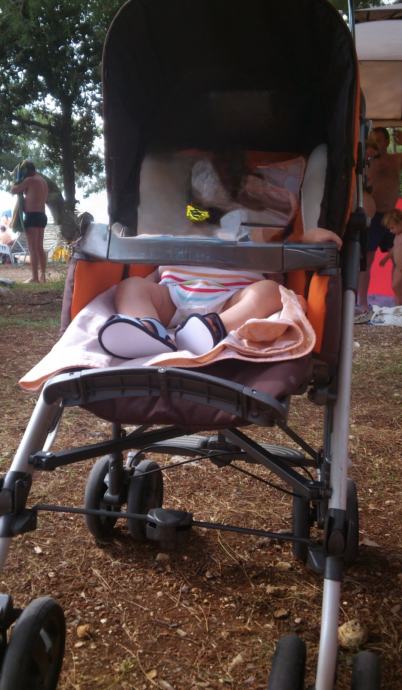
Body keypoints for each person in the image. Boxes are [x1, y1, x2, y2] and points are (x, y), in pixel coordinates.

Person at [98, 226, 342, 359]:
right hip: (172, 296)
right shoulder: (173, 231)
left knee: (269, 291)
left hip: (231, 299)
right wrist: (113, 238)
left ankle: (215, 328)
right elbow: (138, 246)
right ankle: (148, 328)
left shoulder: (255, 236)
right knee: (130, 286)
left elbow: (287, 251)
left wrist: (307, 239)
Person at [355, 127, 402, 323]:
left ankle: (398, 303)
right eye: (374, 140)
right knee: (367, 259)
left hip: (391, 215)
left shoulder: (395, 159)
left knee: (399, 259)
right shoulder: (365, 161)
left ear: (387, 142)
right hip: (374, 216)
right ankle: (362, 303)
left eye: (381, 140)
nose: (377, 144)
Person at [10, 160, 48, 283]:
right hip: (42, 216)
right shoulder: (42, 181)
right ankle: (43, 276)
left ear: (26, 171)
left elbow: (13, 190)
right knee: (39, 247)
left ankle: (35, 277)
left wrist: (17, 179)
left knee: (32, 248)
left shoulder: (30, 180)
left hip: (32, 216)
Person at [378, 209, 402, 306]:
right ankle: (399, 303)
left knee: (398, 285)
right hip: (398, 267)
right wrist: (386, 258)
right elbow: (393, 249)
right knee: (395, 286)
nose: (391, 231)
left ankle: (399, 303)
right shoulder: (396, 236)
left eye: (392, 228)